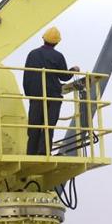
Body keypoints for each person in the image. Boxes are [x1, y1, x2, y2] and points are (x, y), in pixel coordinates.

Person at [23, 26, 80, 155]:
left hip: (36, 97)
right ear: (57, 42)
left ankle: (31, 152)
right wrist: (73, 70)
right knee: (48, 126)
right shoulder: (58, 56)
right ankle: (43, 152)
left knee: (34, 126)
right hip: (52, 97)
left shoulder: (32, 54)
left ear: (43, 38)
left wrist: (31, 96)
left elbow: (26, 77)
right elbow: (64, 76)